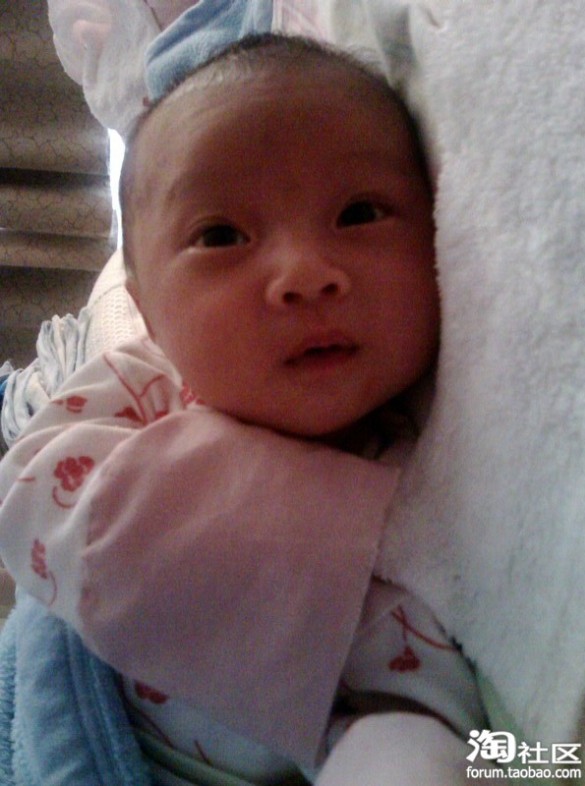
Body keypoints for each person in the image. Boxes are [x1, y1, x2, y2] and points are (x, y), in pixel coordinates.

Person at [0, 34, 490, 786]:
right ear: (148, 313)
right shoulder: (142, 387)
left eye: (360, 213)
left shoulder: (456, 445)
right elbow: (31, 497)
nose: (305, 274)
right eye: (221, 235)